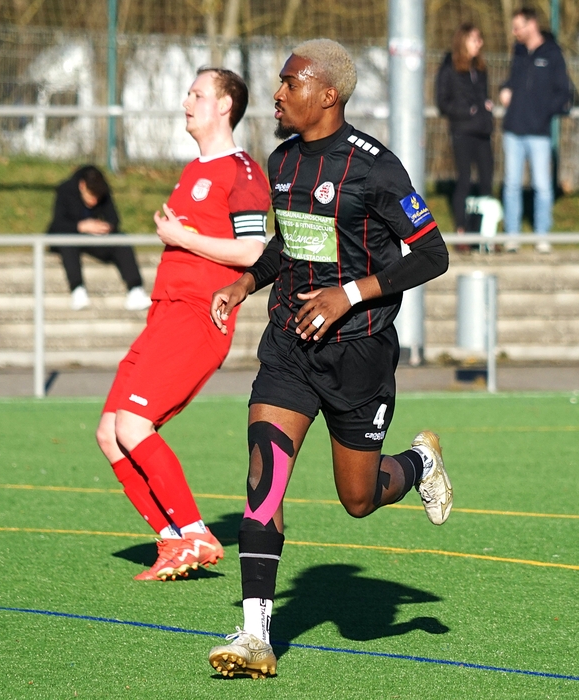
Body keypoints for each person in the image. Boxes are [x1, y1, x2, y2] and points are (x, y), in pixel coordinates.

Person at [205, 39, 452, 678]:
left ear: (328, 95)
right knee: (264, 475)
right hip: (289, 348)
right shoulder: (282, 160)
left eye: (290, 82)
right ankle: (256, 634)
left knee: (359, 499)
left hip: (359, 354)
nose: (278, 93)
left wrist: (350, 294)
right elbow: (285, 245)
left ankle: (419, 462)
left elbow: (433, 255)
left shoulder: (376, 168)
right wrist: (243, 283)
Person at [94, 68, 271, 581]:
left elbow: (254, 252)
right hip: (164, 315)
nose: (186, 102)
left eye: (197, 94)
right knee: (110, 432)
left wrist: (183, 239)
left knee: (133, 425)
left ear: (225, 106)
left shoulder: (242, 171)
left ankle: (194, 534)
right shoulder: (194, 169)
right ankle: (174, 541)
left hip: (198, 316)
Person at [499, 7, 572, 253]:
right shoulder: (518, 51)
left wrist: (542, 112)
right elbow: (513, 80)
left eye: (518, 27)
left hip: (539, 133)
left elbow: (563, 93)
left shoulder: (552, 53)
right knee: (511, 185)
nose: (514, 32)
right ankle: (512, 235)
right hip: (513, 130)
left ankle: (542, 235)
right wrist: (506, 89)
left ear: (532, 25)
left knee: (542, 186)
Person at [46, 165, 151, 311]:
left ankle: (135, 289)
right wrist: (81, 226)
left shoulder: (104, 191)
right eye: (91, 196)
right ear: (82, 186)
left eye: (97, 198)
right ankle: (77, 289)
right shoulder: (65, 190)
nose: (94, 201)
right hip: (69, 237)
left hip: (93, 238)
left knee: (121, 240)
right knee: (68, 241)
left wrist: (105, 227)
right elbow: (57, 224)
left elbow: (114, 220)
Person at [435, 23, 494, 248]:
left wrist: (485, 106)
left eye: (480, 39)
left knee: (486, 181)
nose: (479, 44)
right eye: (474, 39)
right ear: (463, 41)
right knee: (465, 180)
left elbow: (482, 95)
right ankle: (462, 231)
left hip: (482, 131)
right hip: (462, 131)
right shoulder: (450, 67)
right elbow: (443, 102)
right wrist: (467, 111)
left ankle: (480, 232)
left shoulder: (479, 68)